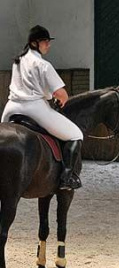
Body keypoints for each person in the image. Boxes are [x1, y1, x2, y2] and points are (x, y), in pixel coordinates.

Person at [1, 25, 83, 190]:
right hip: (34, 108)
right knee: (76, 134)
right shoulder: (42, 64)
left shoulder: (17, 61)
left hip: (11, 108)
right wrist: (60, 100)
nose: (48, 45)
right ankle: (67, 177)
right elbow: (61, 94)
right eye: (45, 42)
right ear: (34, 43)